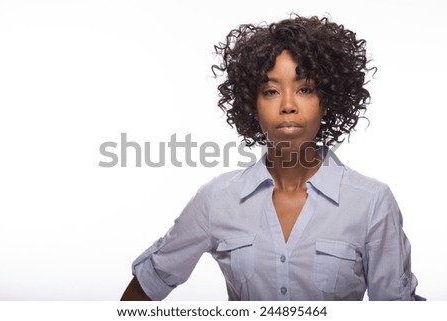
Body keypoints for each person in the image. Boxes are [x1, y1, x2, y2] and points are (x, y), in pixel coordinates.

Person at [121, 14, 424, 301]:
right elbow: (147, 285)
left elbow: (396, 307)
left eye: (305, 89)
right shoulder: (217, 199)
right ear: (251, 104)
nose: (288, 105)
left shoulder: (371, 202)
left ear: (327, 100)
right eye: (270, 91)